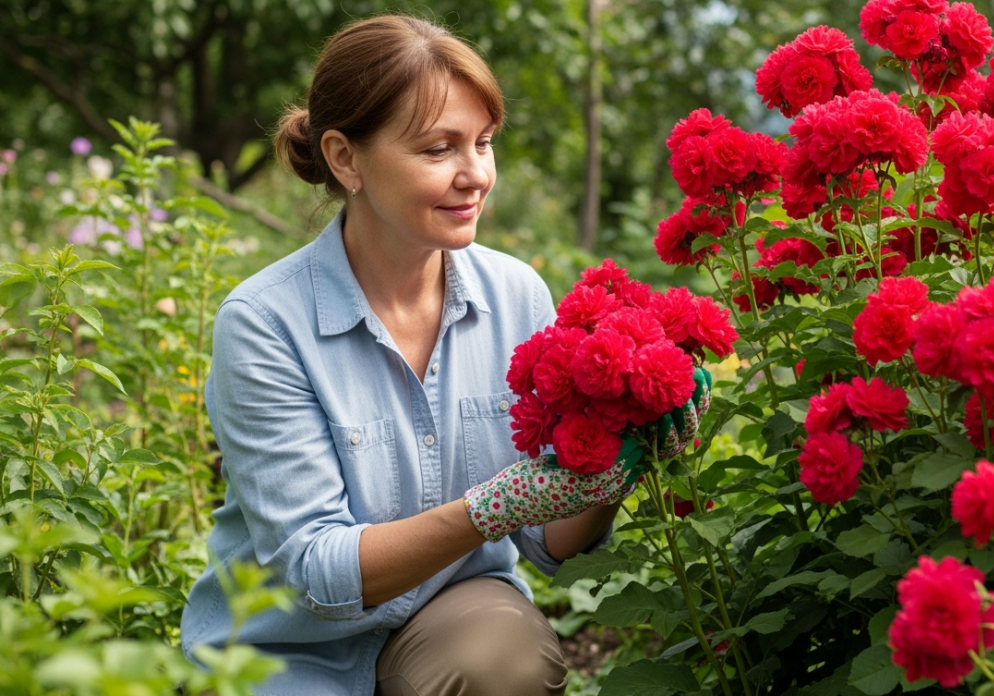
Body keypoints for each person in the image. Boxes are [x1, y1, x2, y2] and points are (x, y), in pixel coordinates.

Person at [179, 15, 704, 696]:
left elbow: (551, 544)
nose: (475, 174)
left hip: (451, 615)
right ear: (345, 159)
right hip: (284, 647)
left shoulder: (516, 294)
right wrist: (490, 507)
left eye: (483, 143)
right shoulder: (265, 322)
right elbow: (314, 571)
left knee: (503, 662)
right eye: (438, 149)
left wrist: (620, 457)